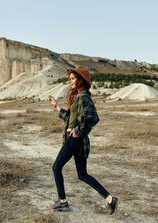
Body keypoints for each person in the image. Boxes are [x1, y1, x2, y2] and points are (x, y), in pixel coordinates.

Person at [48, 66, 119, 214]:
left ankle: (63, 202)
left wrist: (77, 132)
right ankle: (110, 200)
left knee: (56, 167)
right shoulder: (78, 97)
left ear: (80, 80)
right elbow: (70, 119)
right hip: (77, 140)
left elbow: (93, 117)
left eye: (73, 78)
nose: (70, 81)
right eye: (70, 79)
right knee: (82, 175)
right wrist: (56, 106)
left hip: (74, 140)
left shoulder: (83, 97)